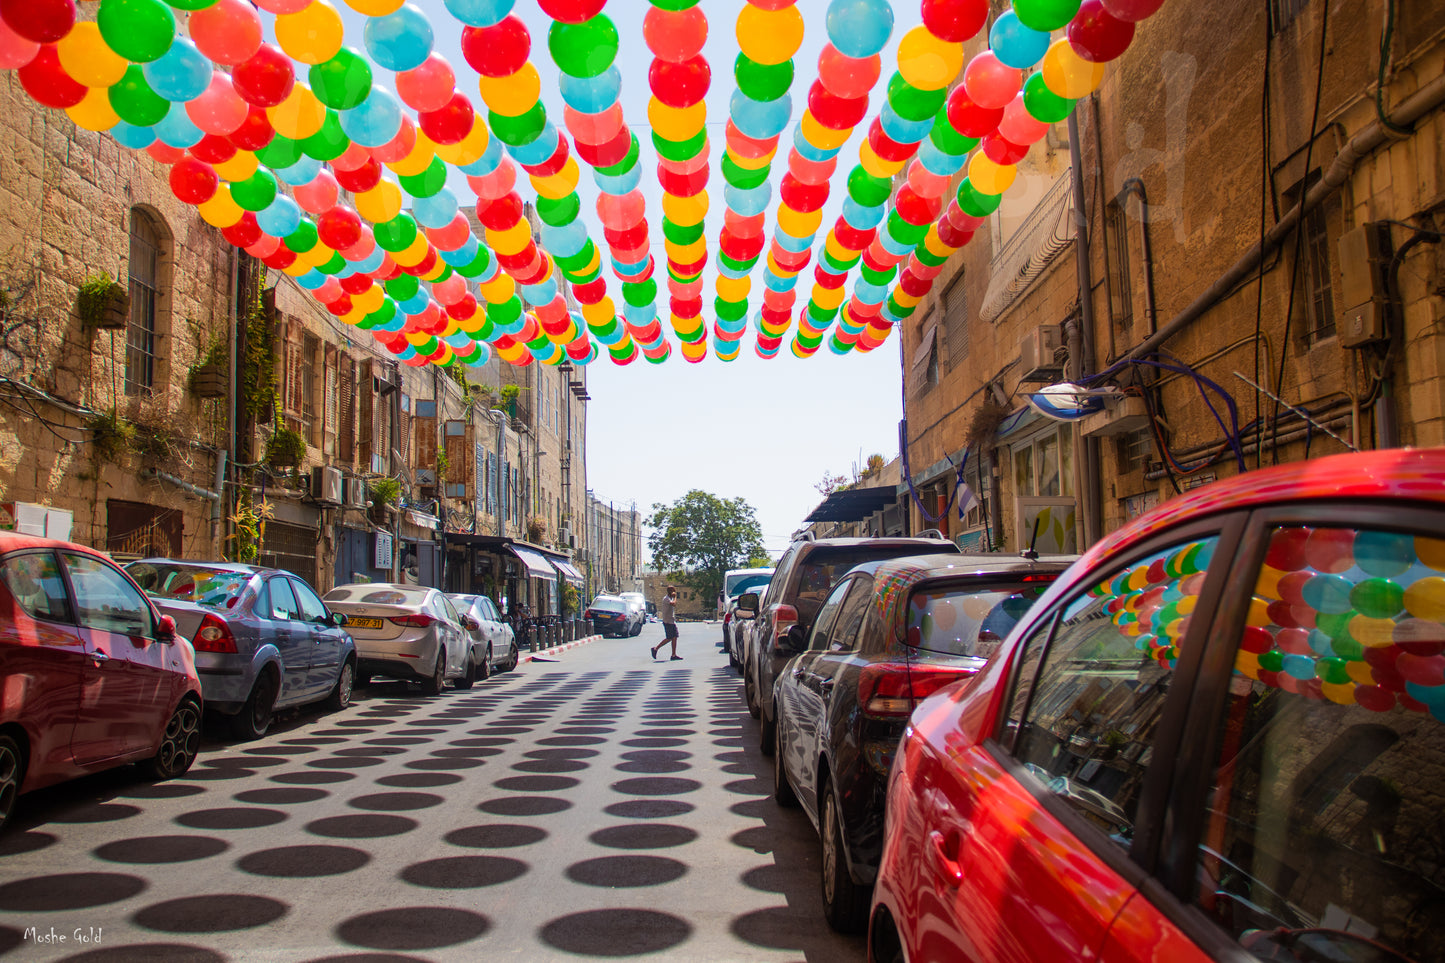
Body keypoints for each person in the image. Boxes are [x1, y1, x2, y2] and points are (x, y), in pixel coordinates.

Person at [651, 585, 681, 661]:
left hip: (671, 620)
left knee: (674, 636)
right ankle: (655, 648)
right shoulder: (666, 599)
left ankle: (673, 654)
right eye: (673, 591)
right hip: (668, 621)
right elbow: (674, 604)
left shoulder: (669, 598)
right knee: (670, 638)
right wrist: (675, 597)